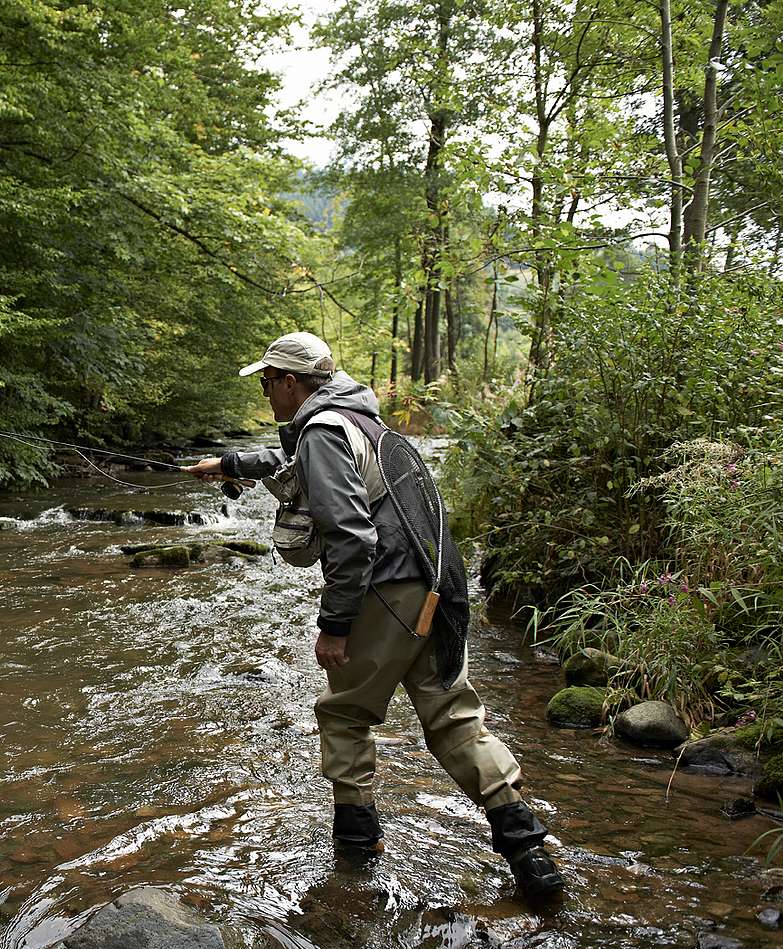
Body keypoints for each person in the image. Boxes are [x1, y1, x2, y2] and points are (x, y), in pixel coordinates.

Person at [186, 331, 564, 902]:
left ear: (292, 382)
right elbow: (297, 459)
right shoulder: (361, 421)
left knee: (344, 714)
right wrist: (230, 463)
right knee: (454, 719)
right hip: (440, 588)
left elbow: (352, 537)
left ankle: (356, 855)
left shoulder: (323, 432)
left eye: (266, 380)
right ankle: (528, 849)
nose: (265, 391)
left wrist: (335, 626)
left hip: (386, 592)